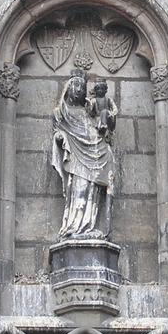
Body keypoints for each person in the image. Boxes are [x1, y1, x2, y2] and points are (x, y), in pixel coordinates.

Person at [51, 71, 117, 240]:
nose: (80, 90)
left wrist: (108, 118)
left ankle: (90, 226)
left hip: (96, 155)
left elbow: (101, 127)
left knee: (92, 192)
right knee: (79, 190)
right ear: (69, 88)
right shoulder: (63, 112)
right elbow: (58, 131)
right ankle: (75, 228)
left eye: (82, 86)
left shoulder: (88, 111)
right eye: (76, 86)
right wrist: (60, 137)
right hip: (76, 157)